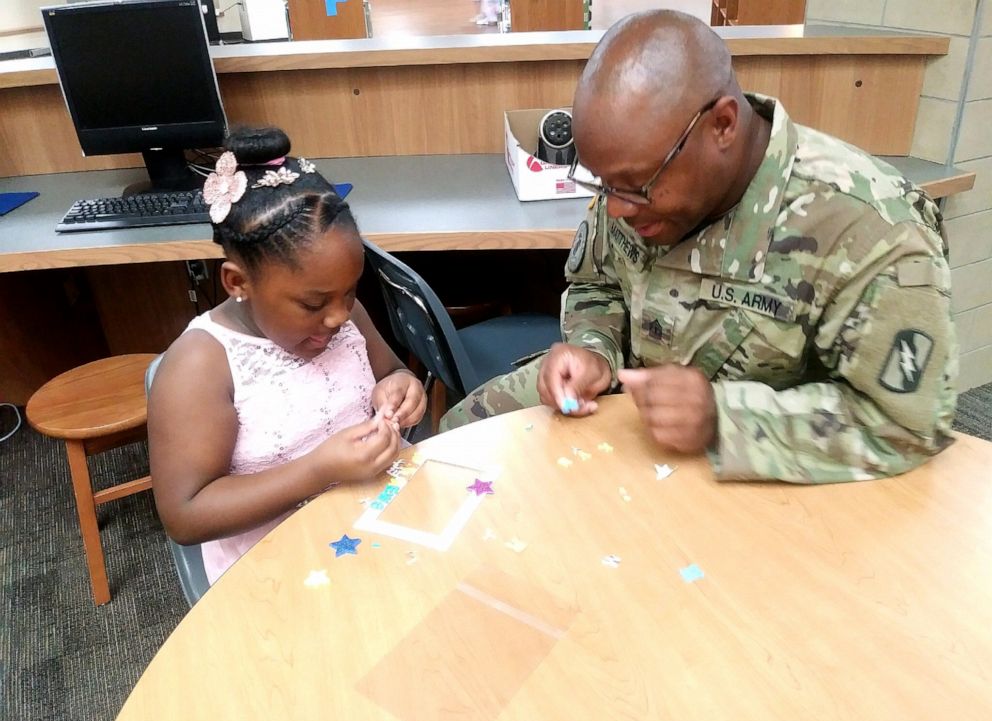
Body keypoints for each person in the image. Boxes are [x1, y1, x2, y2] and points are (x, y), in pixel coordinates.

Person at [441, 10, 957, 484]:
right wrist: (594, 349)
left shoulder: (871, 232)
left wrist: (723, 418)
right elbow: (597, 282)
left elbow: (906, 425)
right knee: (455, 439)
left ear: (723, 125)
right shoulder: (635, 178)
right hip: (629, 423)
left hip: (764, 470)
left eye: (634, 186)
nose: (616, 208)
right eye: (603, 186)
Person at [148, 127, 426, 584]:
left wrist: (399, 387)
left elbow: (389, 372)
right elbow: (185, 515)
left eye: (350, 291)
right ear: (238, 283)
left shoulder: (342, 310)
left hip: (379, 525)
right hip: (282, 570)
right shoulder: (202, 366)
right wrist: (317, 470)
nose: (339, 317)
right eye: (314, 305)